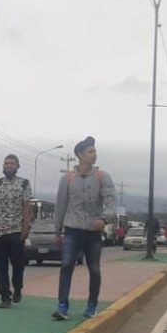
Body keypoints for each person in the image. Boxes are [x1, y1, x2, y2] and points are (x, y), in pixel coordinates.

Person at [52, 136, 116, 321]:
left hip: (93, 232)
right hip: (73, 230)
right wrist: (57, 231)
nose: (94, 154)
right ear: (80, 155)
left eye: (95, 151)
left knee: (94, 269)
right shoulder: (68, 179)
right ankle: (62, 306)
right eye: (90, 151)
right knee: (66, 266)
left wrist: (104, 219)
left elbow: (111, 202)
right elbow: (60, 205)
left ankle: (91, 306)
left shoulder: (102, 177)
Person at [0, 154, 32, 309]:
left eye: (12, 163)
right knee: (0, 266)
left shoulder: (24, 184)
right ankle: (5, 297)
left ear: (17, 167)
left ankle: (17, 287)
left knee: (18, 264)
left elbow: (26, 206)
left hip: (16, 230)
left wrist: (25, 227)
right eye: (6, 163)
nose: (8, 166)